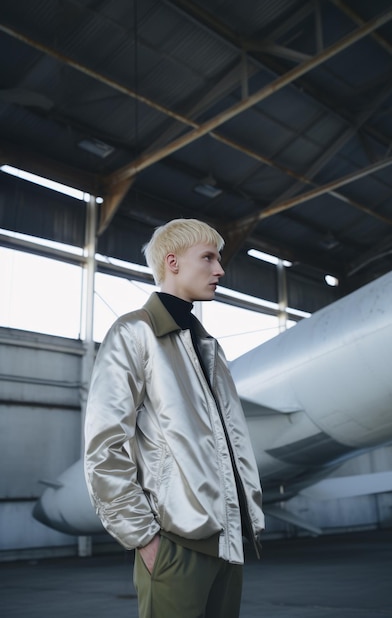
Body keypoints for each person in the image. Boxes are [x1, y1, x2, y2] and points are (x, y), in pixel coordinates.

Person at [84, 218, 264, 618]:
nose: (220, 270)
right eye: (208, 258)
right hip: (174, 545)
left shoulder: (208, 347)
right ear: (173, 262)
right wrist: (144, 538)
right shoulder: (134, 333)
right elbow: (105, 446)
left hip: (228, 543)